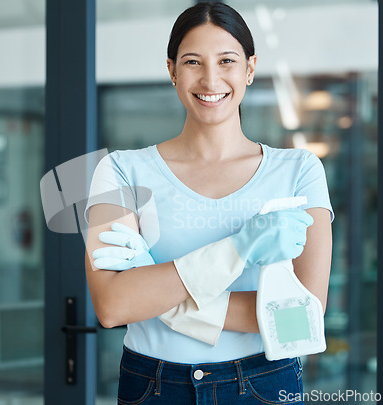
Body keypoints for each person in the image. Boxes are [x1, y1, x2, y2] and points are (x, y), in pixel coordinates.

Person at [84, 2, 333, 404]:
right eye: (193, 62)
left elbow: (302, 318)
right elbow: (113, 306)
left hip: (264, 384)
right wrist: (239, 247)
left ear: (250, 69)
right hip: (152, 384)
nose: (210, 78)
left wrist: (160, 295)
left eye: (227, 60)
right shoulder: (118, 171)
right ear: (172, 71)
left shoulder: (299, 170)